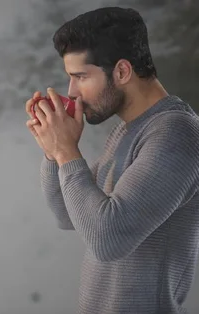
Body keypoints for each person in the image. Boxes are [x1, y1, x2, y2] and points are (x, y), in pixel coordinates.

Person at [24, 6, 199, 314]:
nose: (72, 92)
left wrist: (67, 152)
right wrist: (53, 153)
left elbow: (108, 240)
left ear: (121, 71)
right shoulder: (127, 130)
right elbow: (68, 214)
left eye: (80, 77)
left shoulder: (176, 133)